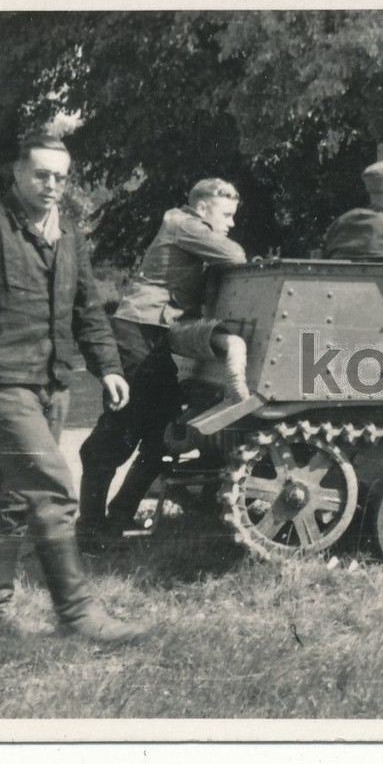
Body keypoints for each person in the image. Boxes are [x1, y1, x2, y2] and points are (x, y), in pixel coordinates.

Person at [0, 134, 145, 642]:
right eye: (41, 174)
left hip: (54, 384)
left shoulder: (69, 233)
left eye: (61, 177)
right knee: (52, 490)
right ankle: (78, 616)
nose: (52, 185)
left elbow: (88, 309)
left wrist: (109, 367)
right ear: (17, 174)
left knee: (12, 495)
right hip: (4, 383)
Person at [77, 178, 250, 544]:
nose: (231, 223)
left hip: (154, 336)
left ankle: (117, 519)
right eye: (227, 214)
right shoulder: (183, 222)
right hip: (138, 332)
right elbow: (235, 255)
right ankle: (90, 530)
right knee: (116, 436)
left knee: (162, 437)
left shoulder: (186, 227)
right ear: (203, 207)